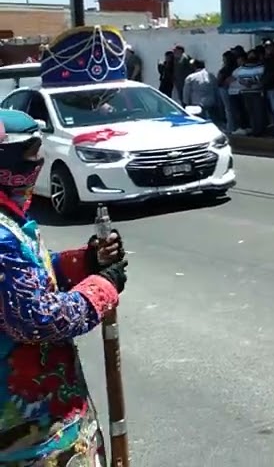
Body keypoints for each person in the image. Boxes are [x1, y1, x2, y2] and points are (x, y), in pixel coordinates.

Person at [0, 108, 128, 464]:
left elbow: (30, 275)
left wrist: (85, 262)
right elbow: (37, 318)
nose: (38, 160)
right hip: (30, 432)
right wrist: (101, 287)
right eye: (29, 151)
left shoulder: (9, 219)